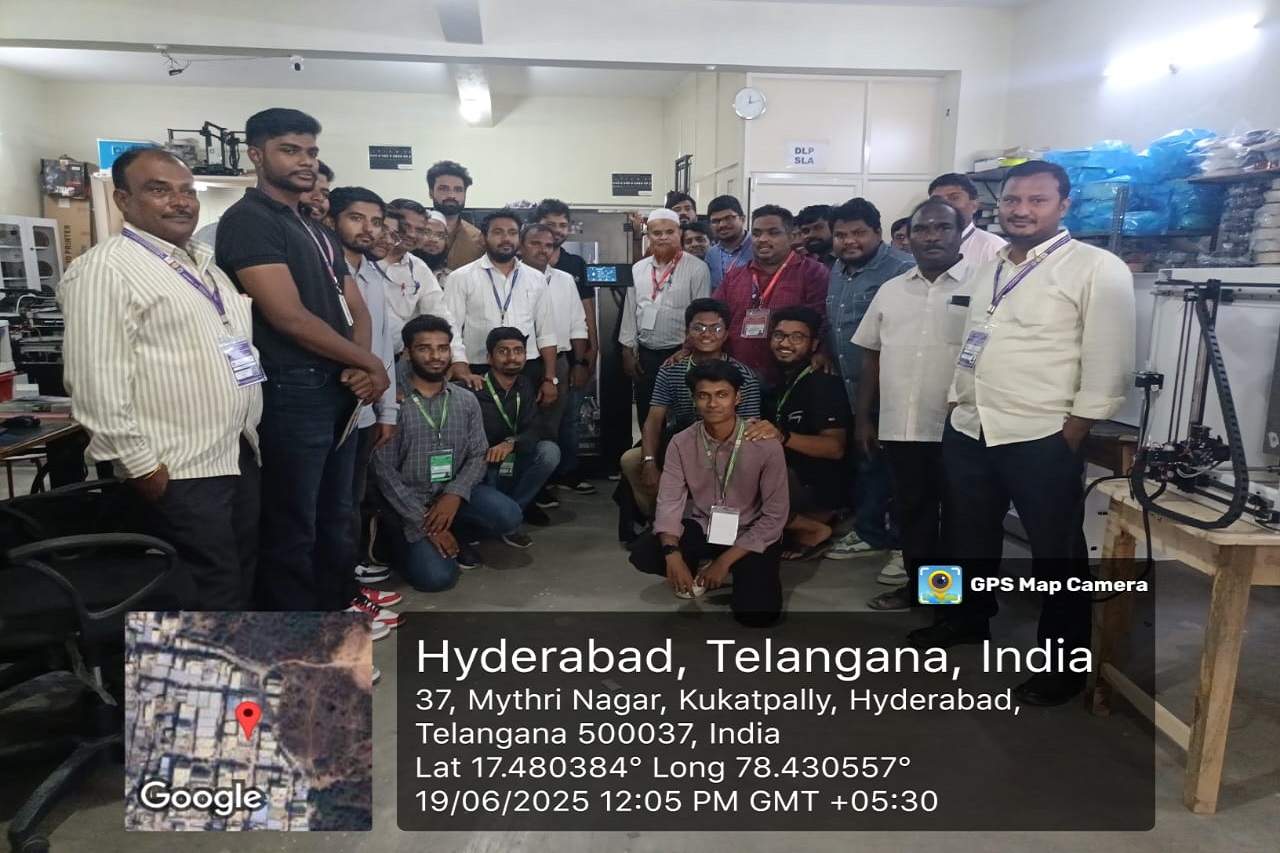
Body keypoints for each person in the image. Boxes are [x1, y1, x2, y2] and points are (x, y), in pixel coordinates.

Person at [919, 160, 1135, 708]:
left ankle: (1063, 665)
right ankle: (963, 618)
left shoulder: (1096, 267)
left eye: (1037, 200)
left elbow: (1110, 358)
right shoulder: (989, 265)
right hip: (971, 424)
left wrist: (1077, 426)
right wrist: (957, 397)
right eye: (1013, 200)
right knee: (963, 533)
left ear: (1064, 206)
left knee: (1056, 552)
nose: (1021, 210)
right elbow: (974, 337)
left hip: (1040, 431)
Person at [60, 146, 262, 611]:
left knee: (238, 577)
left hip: (235, 453)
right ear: (123, 200)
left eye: (187, 191)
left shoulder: (205, 265)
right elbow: (95, 380)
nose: (180, 201)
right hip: (178, 467)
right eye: (159, 190)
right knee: (205, 590)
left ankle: (236, 656)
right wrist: (139, 464)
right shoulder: (106, 269)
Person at [215, 108, 390, 617]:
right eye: (290, 150)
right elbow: (287, 317)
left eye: (311, 151)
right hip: (291, 389)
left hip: (338, 385)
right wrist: (369, 364)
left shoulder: (312, 225)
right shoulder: (249, 221)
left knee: (336, 513)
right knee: (293, 524)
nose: (305, 161)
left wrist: (360, 364)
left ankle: (336, 612)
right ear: (256, 154)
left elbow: (355, 306)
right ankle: (295, 635)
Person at [851, 198, 973, 610]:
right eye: (922, 228)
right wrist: (863, 419)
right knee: (913, 513)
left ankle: (952, 603)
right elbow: (871, 354)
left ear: (960, 233)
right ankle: (924, 594)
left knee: (959, 518)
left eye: (942, 227)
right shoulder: (892, 290)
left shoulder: (982, 285)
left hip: (962, 428)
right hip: (902, 426)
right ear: (910, 235)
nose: (932, 236)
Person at [629, 361, 787, 626]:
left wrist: (724, 562)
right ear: (694, 400)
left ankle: (732, 567)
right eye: (703, 396)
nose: (713, 403)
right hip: (706, 526)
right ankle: (698, 565)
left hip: (752, 532)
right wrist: (673, 554)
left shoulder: (765, 445)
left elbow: (774, 518)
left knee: (758, 616)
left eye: (722, 394)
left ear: (737, 397)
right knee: (646, 552)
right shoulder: (682, 442)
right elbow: (669, 502)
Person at [373, 315, 524, 588]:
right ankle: (395, 543)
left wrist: (454, 495)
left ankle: (452, 532)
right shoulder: (392, 402)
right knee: (437, 579)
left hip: (451, 493)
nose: (435, 356)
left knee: (508, 515)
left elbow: (478, 454)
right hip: (407, 504)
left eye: (442, 348)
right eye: (424, 348)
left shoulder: (465, 399)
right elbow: (383, 471)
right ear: (407, 352)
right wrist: (423, 523)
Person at [323, 187, 403, 609]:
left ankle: (347, 584)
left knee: (349, 503)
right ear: (332, 220)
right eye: (356, 218)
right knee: (327, 507)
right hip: (329, 404)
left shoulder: (373, 274)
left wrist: (386, 411)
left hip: (367, 409)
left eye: (376, 222)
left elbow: (384, 345)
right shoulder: (319, 269)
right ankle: (333, 597)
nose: (368, 229)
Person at [823, 197, 914, 567]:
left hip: (892, 390)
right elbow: (836, 323)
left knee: (902, 473)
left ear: (878, 232)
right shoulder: (838, 268)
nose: (849, 241)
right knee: (870, 464)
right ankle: (871, 532)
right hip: (853, 389)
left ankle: (904, 546)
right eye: (841, 234)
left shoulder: (902, 271)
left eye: (858, 233)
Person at [620, 298, 761, 519]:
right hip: (681, 441)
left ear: (726, 334)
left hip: (727, 446)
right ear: (687, 333)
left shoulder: (743, 375)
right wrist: (649, 462)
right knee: (631, 460)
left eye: (716, 328)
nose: (707, 334)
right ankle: (662, 520)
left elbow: (749, 427)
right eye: (699, 328)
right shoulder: (671, 369)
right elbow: (654, 420)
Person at [744, 306, 849, 562]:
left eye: (797, 337)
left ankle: (814, 526)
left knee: (738, 484)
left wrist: (783, 436)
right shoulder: (784, 380)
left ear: (813, 344)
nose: (785, 343)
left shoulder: (822, 382)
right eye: (779, 335)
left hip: (814, 485)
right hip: (788, 476)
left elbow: (835, 448)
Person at [444, 209, 559, 393]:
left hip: (527, 366)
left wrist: (550, 378)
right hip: (478, 367)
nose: (506, 238)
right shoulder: (460, 277)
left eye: (512, 233)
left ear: (519, 240)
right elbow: (451, 327)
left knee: (525, 413)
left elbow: (547, 332)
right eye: (498, 232)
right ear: (483, 238)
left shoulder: (536, 278)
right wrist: (459, 362)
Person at [517, 222, 589, 513]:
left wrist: (580, 362)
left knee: (549, 427)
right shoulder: (511, 277)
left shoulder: (564, 280)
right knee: (516, 426)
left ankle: (539, 487)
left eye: (549, 245)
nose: (542, 250)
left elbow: (577, 324)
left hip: (556, 362)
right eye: (535, 243)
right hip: (517, 364)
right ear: (521, 245)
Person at [712, 204, 829, 385]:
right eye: (757, 233)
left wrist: (823, 351)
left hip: (790, 377)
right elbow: (713, 315)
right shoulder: (734, 276)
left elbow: (822, 320)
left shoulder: (812, 272)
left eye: (773, 233)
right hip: (738, 376)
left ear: (791, 237)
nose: (763, 239)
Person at [619, 208, 711, 429]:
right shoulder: (638, 269)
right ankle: (650, 450)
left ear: (679, 233)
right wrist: (627, 350)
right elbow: (630, 310)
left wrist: (690, 350)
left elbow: (702, 315)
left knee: (683, 417)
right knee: (648, 414)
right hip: (647, 356)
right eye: (656, 233)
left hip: (682, 355)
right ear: (648, 235)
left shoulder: (697, 268)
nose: (663, 237)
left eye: (669, 232)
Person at [534, 198, 600, 495]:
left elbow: (584, 311)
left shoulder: (573, 266)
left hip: (567, 354)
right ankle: (540, 480)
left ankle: (567, 472)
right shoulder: (522, 265)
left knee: (570, 416)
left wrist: (589, 353)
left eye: (562, 225)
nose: (557, 230)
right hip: (531, 357)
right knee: (538, 421)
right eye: (550, 224)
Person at [474, 326, 562, 534]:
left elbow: (534, 428)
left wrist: (512, 442)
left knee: (549, 452)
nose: (512, 358)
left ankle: (516, 510)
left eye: (518, 351)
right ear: (489, 358)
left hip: (513, 455)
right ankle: (500, 514)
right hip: (482, 463)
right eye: (503, 351)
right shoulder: (474, 388)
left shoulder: (524, 385)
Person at [377, 206, 453, 353]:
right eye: (405, 227)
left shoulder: (419, 267)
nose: (411, 234)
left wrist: (457, 358)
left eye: (419, 230)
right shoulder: (363, 260)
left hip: (401, 354)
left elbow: (439, 314)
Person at [929, 172, 1007, 263]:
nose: (945, 205)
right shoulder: (923, 244)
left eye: (954, 198)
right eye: (937, 199)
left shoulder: (993, 247)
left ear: (974, 206)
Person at [427, 159, 485, 270]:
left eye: (458, 190)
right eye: (443, 189)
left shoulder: (478, 240)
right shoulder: (414, 233)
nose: (451, 195)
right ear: (431, 192)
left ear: (465, 194)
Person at [705, 195, 752, 288]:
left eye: (728, 218)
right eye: (715, 221)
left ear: (742, 219)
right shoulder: (711, 254)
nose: (722, 225)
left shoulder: (758, 248)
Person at [413, 209, 452, 282]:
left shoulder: (452, 279)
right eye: (426, 233)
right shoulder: (399, 271)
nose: (434, 239)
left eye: (440, 235)